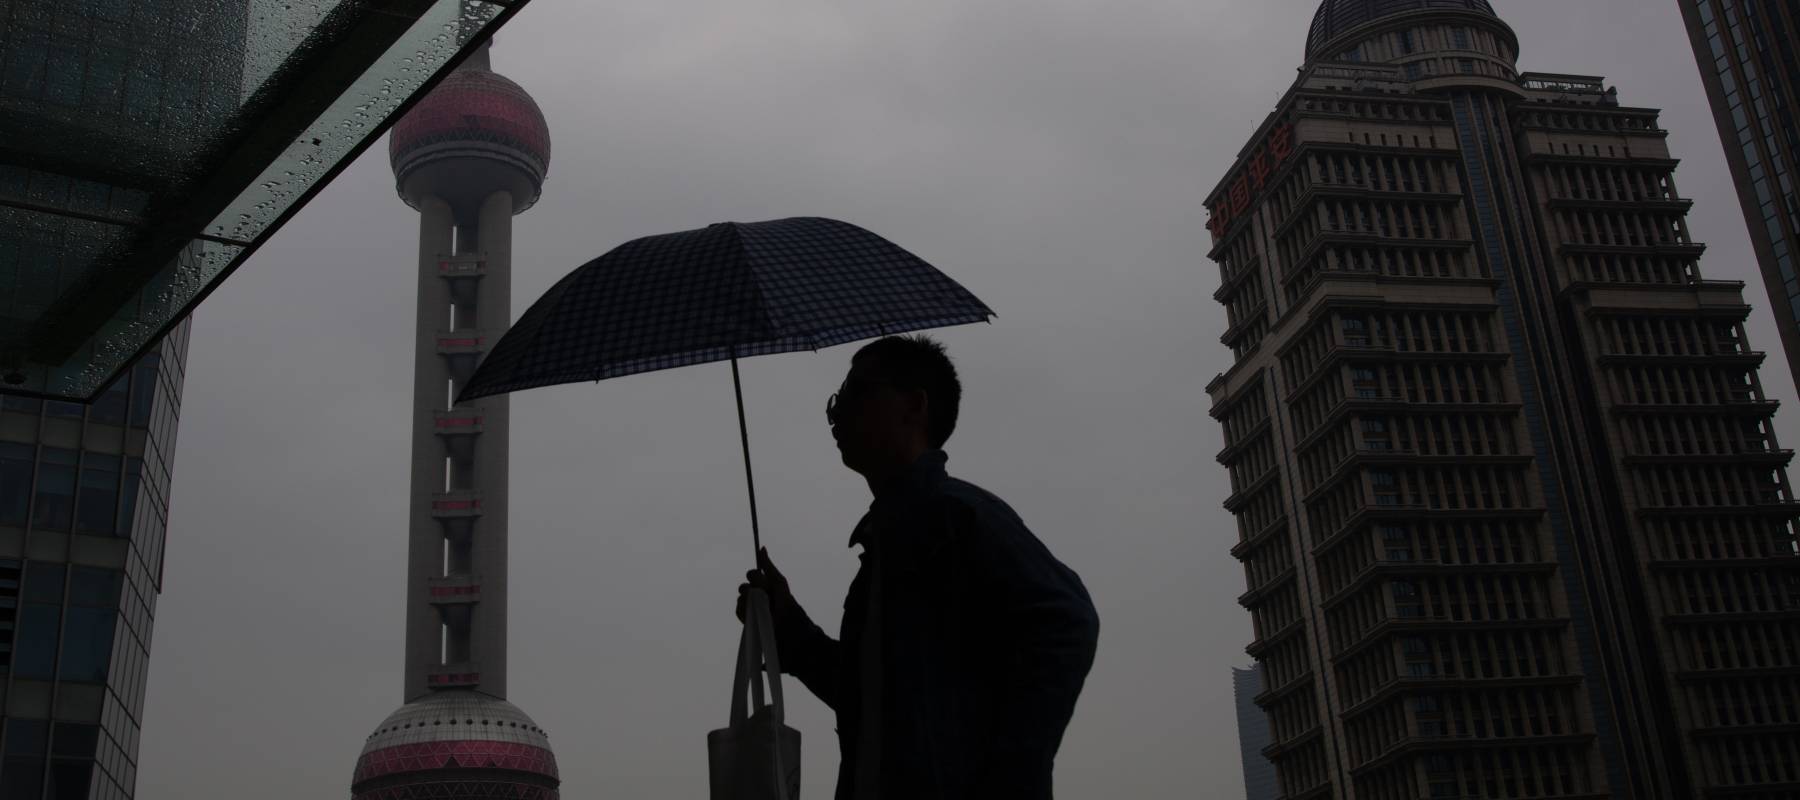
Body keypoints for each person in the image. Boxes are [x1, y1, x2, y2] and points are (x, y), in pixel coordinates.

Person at [735, 335, 1100, 800]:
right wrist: (791, 630)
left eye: (854, 393)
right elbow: (875, 702)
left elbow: (1068, 620)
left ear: (914, 406)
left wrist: (1010, 777)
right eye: (834, 400)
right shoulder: (891, 541)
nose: (835, 413)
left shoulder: (954, 516)